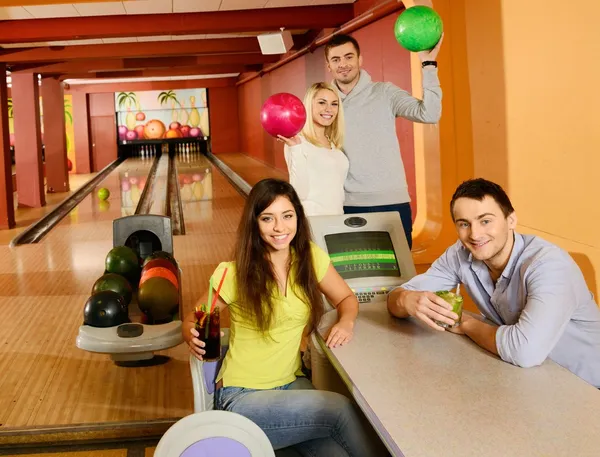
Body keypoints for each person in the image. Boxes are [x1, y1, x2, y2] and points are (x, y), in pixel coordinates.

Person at [183, 179, 383, 456]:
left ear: (298, 218)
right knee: (340, 409)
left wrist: (346, 321)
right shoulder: (233, 273)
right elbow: (193, 319)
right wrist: (190, 335)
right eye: (268, 218)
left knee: (334, 452)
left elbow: (346, 298)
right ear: (254, 223)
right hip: (243, 396)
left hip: (291, 383)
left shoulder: (311, 259)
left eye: (287, 216)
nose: (280, 228)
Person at [386, 178, 600, 388]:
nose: (475, 234)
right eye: (464, 224)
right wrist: (406, 300)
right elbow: (397, 297)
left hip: (588, 390)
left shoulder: (549, 265)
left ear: (511, 220)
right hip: (536, 382)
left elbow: (524, 352)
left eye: (485, 221)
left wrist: (466, 324)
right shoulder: (460, 254)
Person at [324, 18, 443, 249]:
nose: (343, 64)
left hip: (392, 203)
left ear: (360, 59)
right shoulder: (325, 103)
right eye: (336, 59)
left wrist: (428, 65)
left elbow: (429, 113)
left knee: (399, 282)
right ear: (329, 66)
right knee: (358, 283)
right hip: (347, 204)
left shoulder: (385, 93)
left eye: (349, 57)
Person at [278, 82, 348, 216]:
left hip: (337, 218)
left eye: (334, 104)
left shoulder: (333, 143)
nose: (329, 109)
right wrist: (295, 149)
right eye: (322, 103)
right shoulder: (298, 142)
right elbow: (299, 193)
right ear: (309, 105)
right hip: (312, 221)